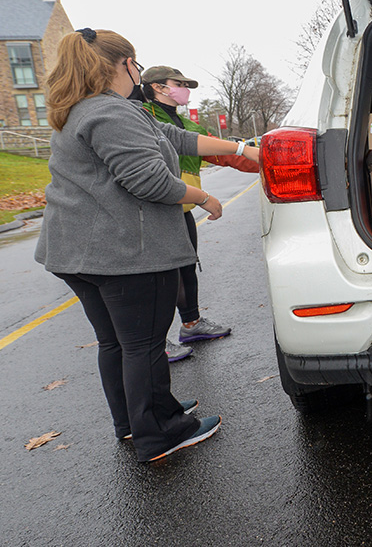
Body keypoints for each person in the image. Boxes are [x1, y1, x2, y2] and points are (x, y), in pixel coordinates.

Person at [33, 28, 249, 461]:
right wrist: (203, 197)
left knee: (116, 343)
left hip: (77, 252)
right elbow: (149, 179)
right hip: (123, 253)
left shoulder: (87, 110)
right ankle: (162, 431)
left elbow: (175, 139)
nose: (137, 69)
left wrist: (244, 148)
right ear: (124, 64)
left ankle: (134, 422)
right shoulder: (111, 114)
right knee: (143, 345)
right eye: (135, 62)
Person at [138, 65, 259, 362]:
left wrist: (269, 162)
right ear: (157, 87)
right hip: (157, 208)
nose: (185, 89)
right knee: (163, 278)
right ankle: (155, 342)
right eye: (177, 83)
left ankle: (191, 324)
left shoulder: (187, 124)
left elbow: (224, 153)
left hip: (183, 208)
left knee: (187, 267)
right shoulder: (144, 115)